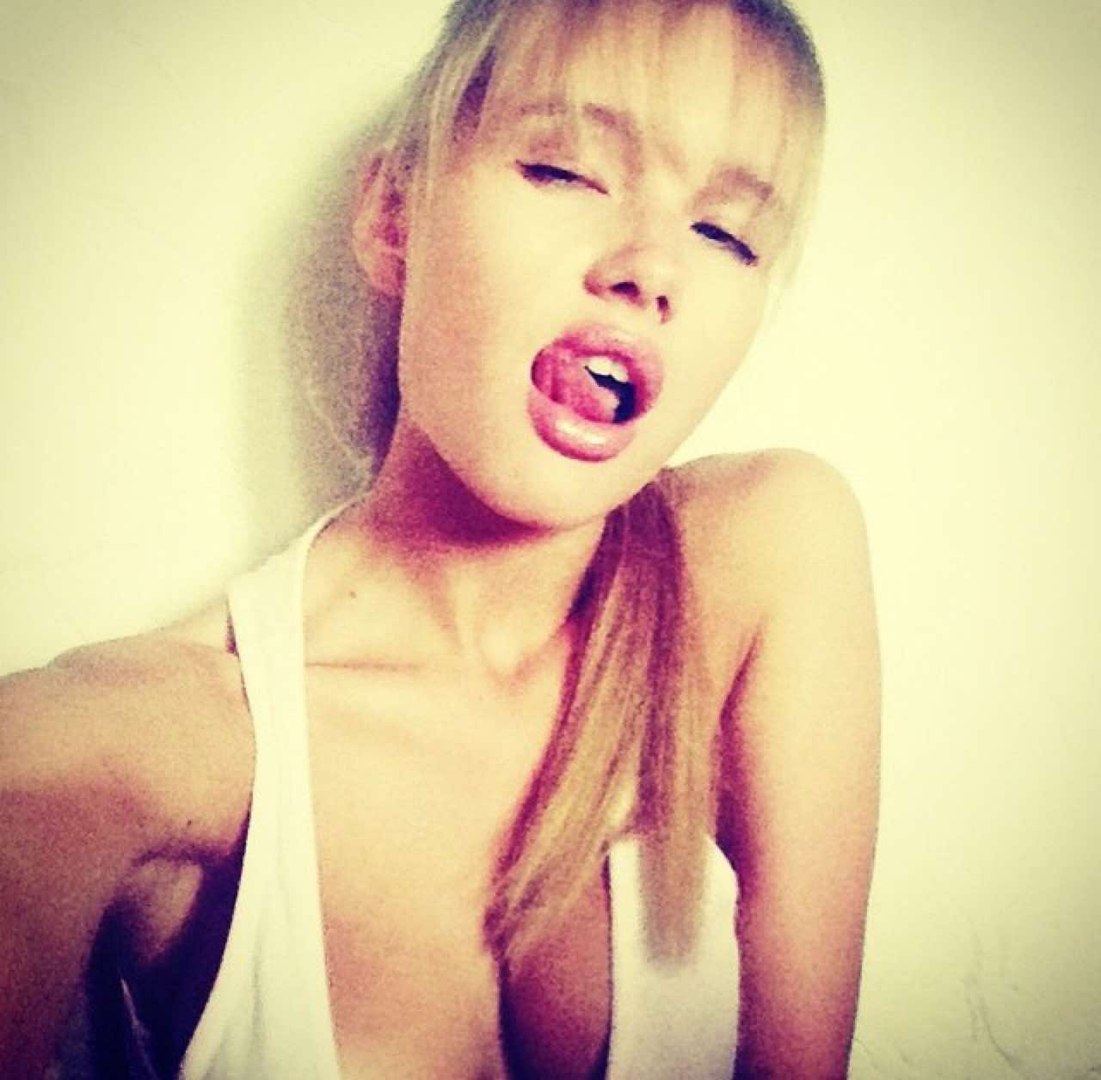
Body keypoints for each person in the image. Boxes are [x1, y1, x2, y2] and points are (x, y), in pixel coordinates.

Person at [0, 0, 880, 1076]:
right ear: (393, 217)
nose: (653, 268)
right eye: (565, 170)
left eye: (726, 233)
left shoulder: (763, 559)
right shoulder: (127, 743)